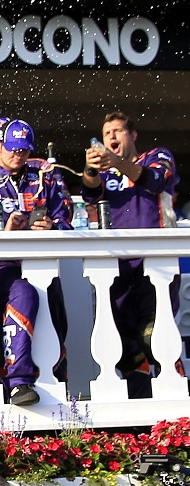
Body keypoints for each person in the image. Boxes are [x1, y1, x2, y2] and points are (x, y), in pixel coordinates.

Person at [0, 119, 73, 407]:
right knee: (23, 293)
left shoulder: (46, 176)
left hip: (44, 268)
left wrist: (52, 227)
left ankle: (53, 386)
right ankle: (18, 381)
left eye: (23, 150)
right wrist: (3, 235)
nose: (17, 155)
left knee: (54, 322)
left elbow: (69, 223)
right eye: (11, 148)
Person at [81, 111, 179, 398]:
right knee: (124, 347)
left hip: (156, 264)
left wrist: (118, 164)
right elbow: (90, 196)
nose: (111, 136)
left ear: (132, 135)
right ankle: (139, 419)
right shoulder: (106, 172)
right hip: (119, 267)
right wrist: (90, 169)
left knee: (156, 337)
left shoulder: (157, 156)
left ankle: (176, 412)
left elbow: (155, 181)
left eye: (117, 131)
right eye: (106, 132)